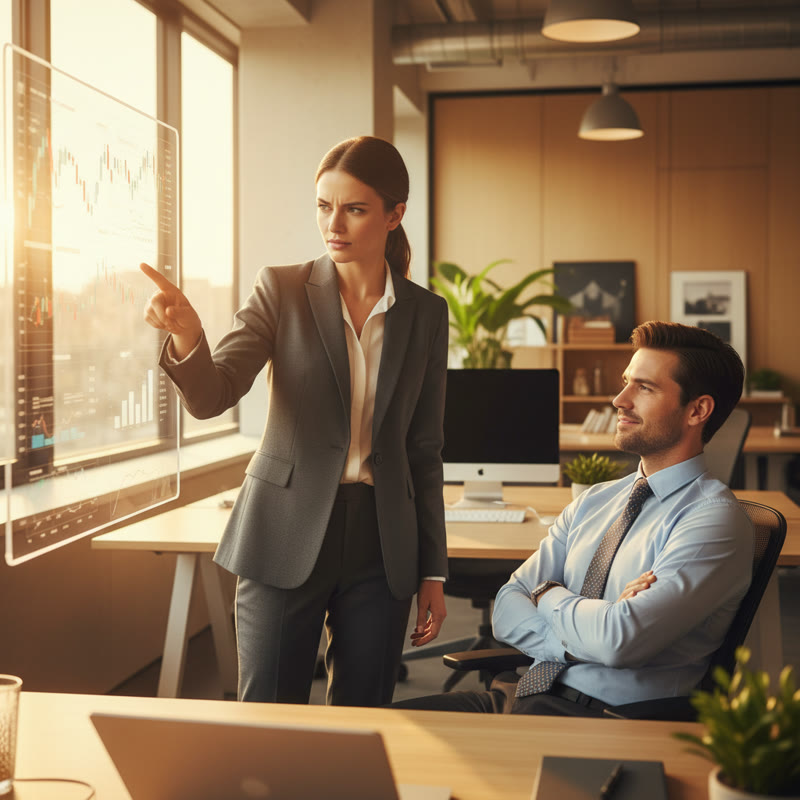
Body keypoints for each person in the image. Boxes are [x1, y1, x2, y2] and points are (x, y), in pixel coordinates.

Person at [140, 135, 449, 706]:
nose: (334, 224)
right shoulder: (280, 289)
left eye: (354, 209)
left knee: (365, 718)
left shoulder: (426, 314)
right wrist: (187, 333)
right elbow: (215, 395)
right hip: (284, 528)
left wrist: (433, 570)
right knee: (268, 715)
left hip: (382, 544)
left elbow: (423, 449)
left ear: (394, 214)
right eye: (324, 206)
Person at [393, 321, 752, 716]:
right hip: (519, 696)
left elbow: (618, 640)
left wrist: (547, 593)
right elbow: (507, 608)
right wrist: (580, 637)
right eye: (626, 382)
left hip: (604, 719)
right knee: (374, 729)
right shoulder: (595, 499)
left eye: (644, 388)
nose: (619, 399)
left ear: (697, 410)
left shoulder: (713, 521)